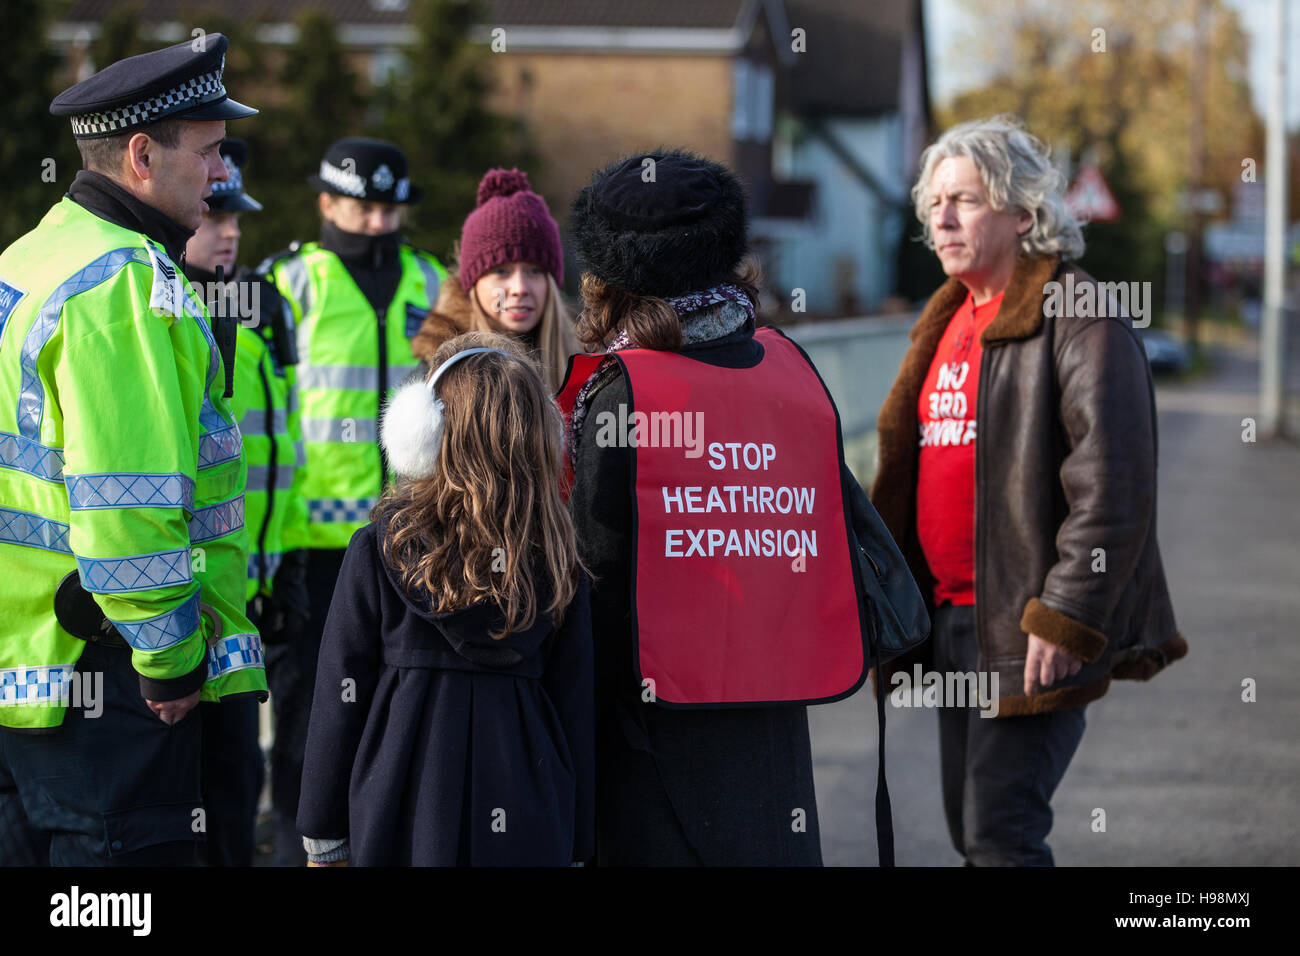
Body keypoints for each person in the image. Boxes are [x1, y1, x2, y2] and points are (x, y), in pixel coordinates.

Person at [562, 149, 902, 866]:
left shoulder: (624, 394)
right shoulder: (788, 368)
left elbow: (594, 586)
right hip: (773, 746)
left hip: (651, 751)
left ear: (608, 278)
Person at [870, 115, 1189, 866]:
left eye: (966, 201)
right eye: (934, 203)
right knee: (969, 829)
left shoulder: (1078, 317)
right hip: (949, 620)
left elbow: (1114, 483)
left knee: (1001, 833)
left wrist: (1068, 614)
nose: (942, 218)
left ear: (1023, 212)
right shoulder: (945, 318)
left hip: (1027, 620)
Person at [0, 35, 266, 866]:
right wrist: (171, 662)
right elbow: (129, 505)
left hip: (30, 671)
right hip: (116, 688)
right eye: (212, 151)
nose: (222, 176)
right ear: (144, 157)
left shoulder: (37, 253)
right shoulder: (124, 283)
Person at [297, 332, 593, 866]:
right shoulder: (558, 559)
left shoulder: (378, 547)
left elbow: (339, 693)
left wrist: (322, 830)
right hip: (527, 802)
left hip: (398, 802)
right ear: (541, 437)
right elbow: (576, 704)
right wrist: (580, 841)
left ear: (424, 434)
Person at [258, 137, 446, 864]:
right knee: (310, 726)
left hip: (413, 546)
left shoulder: (434, 285)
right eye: (362, 207)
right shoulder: (287, 283)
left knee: (398, 717)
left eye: (389, 209)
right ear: (326, 202)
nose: (377, 222)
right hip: (310, 554)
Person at [183, 139, 306, 866]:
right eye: (215, 214)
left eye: (237, 217)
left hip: (245, 603)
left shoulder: (264, 309)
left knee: (236, 793)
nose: (230, 231)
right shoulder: (152, 303)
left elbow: (283, 457)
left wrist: (283, 566)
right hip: (174, 604)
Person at [411, 168, 580, 391]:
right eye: (501, 272)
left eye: (535, 271)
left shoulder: (585, 369)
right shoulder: (435, 380)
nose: (520, 288)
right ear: (472, 284)